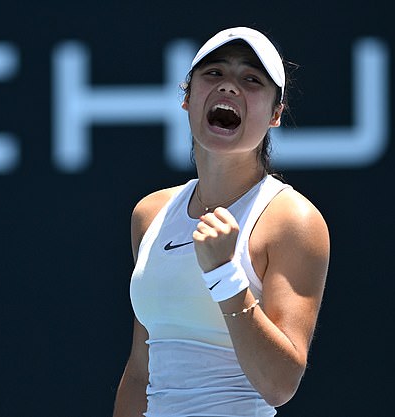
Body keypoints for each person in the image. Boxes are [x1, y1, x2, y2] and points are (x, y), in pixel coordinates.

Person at [113, 27, 330, 417]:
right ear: (187, 96)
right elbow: (140, 374)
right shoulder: (150, 214)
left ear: (276, 113)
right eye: (214, 73)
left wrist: (225, 276)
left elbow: (279, 385)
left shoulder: (292, 220)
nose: (229, 87)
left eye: (251, 79)